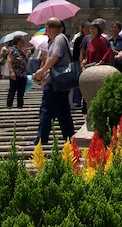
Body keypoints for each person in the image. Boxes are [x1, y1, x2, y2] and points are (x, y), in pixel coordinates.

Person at [30, 17, 75, 146]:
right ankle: (69, 137)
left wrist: (42, 70)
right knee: (63, 111)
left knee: (46, 110)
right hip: (59, 81)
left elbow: (55, 57)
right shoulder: (56, 40)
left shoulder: (59, 39)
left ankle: (41, 139)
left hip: (56, 82)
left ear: (48, 28)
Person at [6, 35, 29, 109]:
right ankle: (9, 105)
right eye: (23, 41)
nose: (24, 42)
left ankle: (20, 105)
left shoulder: (21, 50)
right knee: (13, 89)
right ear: (18, 41)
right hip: (16, 72)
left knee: (21, 91)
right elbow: (9, 60)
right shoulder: (13, 50)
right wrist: (11, 71)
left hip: (22, 73)